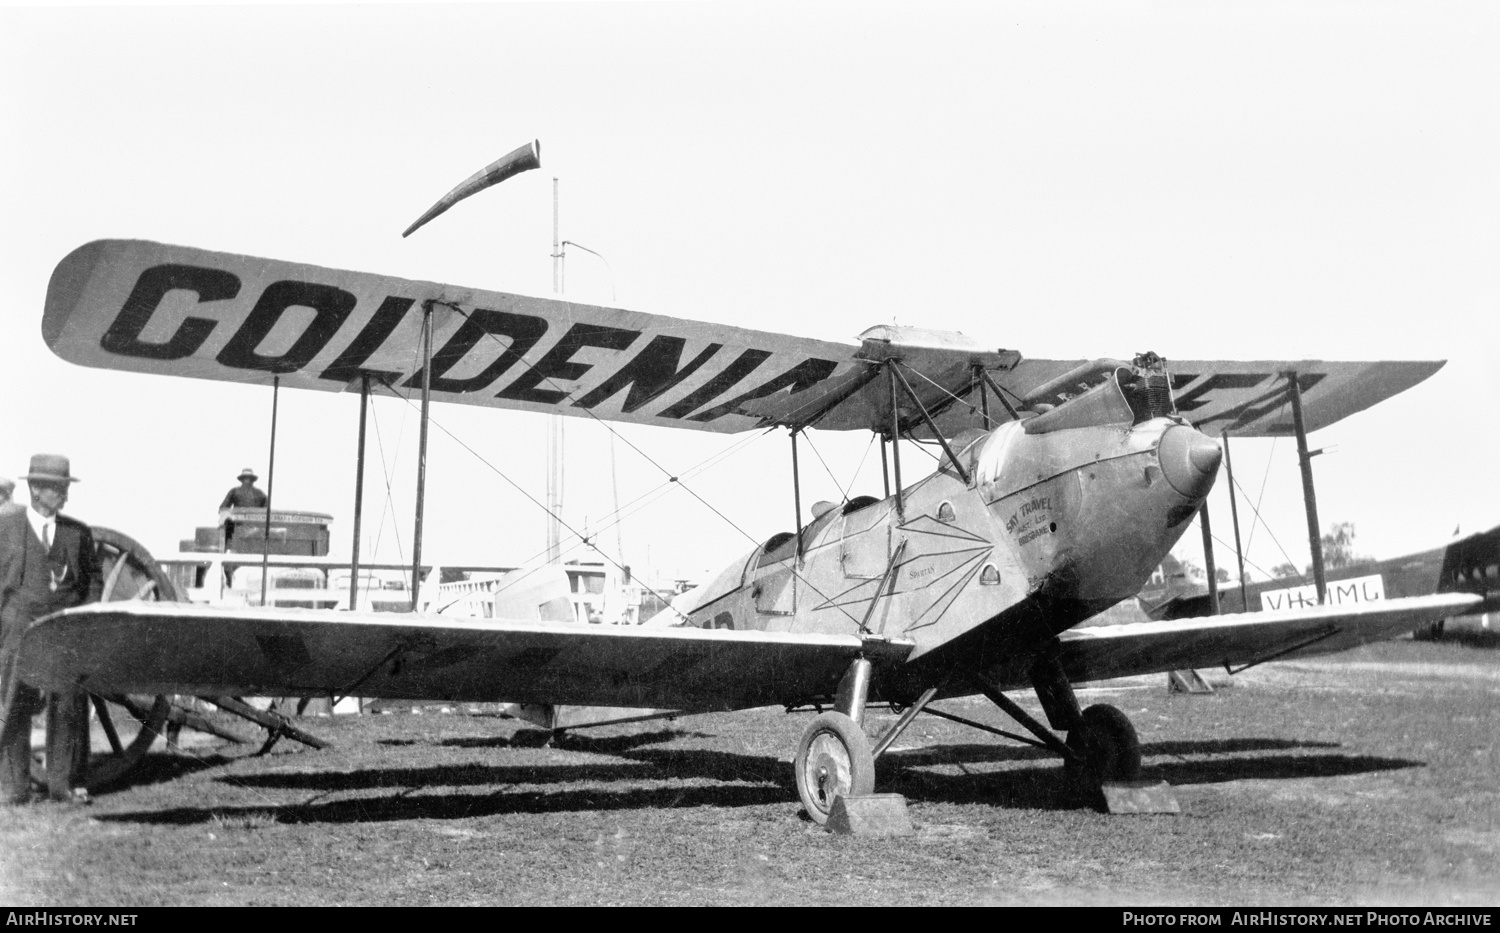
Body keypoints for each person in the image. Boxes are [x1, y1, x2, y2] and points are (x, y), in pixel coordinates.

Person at [0, 454, 102, 805]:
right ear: (35, 490)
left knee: (66, 707)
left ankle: (63, 785)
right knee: (14, 707)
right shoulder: (5, 528)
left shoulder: (78, 533)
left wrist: (83, 618)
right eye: (57, 489)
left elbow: (93, 581)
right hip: (17, 633)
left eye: (64, 488)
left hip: (64, 635)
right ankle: (14, 788)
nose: (64, 495)